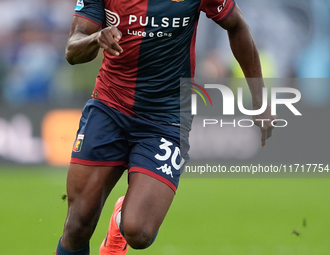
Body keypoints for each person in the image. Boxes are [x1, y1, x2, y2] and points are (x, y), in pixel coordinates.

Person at [56, 0, 277, 254]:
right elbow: (73, 49)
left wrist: (259, 101)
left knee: (139, 232)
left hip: (167, 116)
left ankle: (119, 220)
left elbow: (236, 25)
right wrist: (96, 38)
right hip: (110, 107)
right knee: (77, 226)